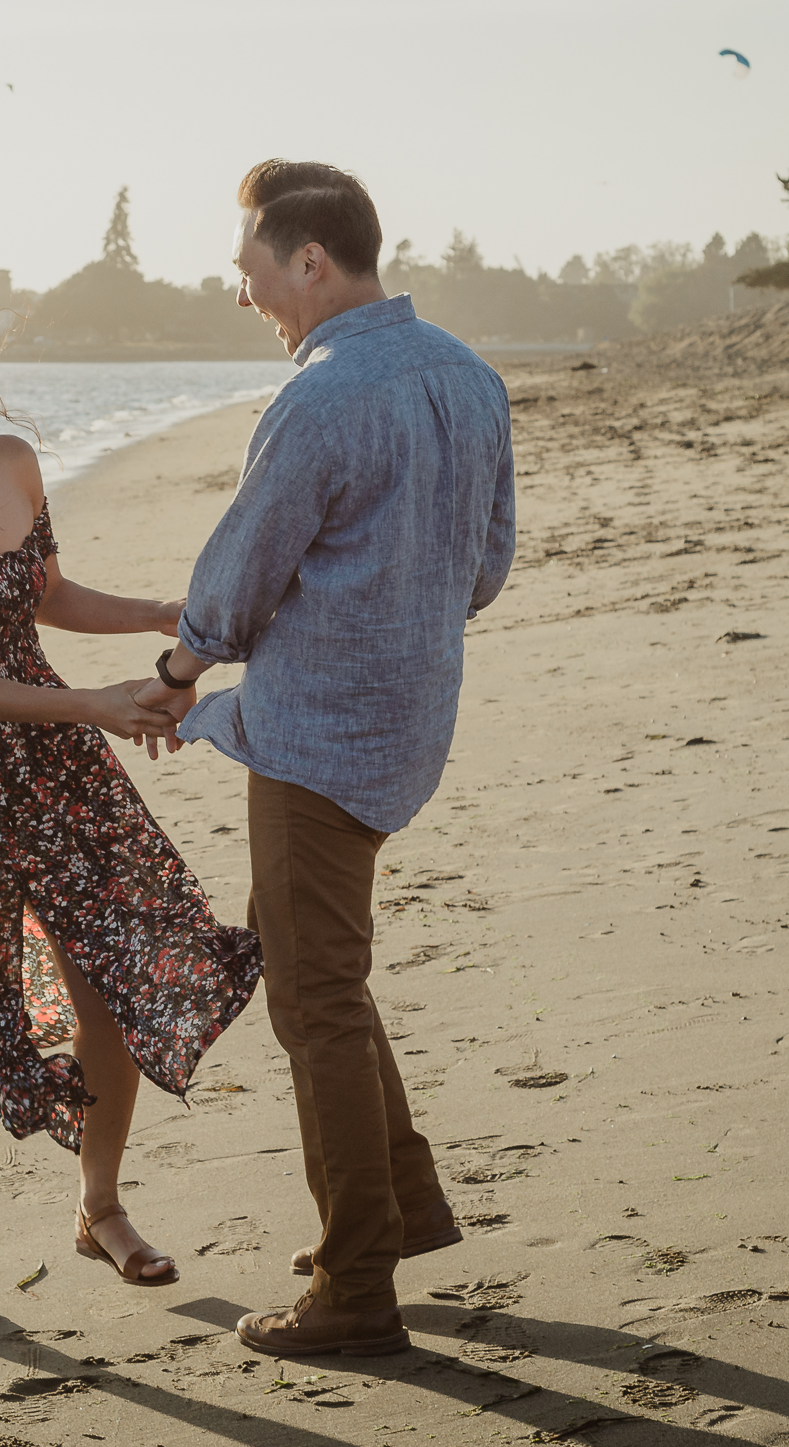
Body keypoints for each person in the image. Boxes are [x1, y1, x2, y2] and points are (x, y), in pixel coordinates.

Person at [136, 161, 516, 1357]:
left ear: (310, 262)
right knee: (326, 976)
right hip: (410, 722)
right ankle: (400, 1208)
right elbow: (490, 563)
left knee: (314, 997)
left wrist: (178, 676)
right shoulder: (468, 372)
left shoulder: (319, 398)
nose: (246, 300)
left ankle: (357, 1287)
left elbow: (238, 581)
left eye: (251, 275)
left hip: (320, 736)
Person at [0, 272, 263, 1326]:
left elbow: (49, 595)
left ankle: (100, 1209)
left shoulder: (16, 466)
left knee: (106, 982)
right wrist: (95, 705)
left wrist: (169, 612)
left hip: (51, 760)